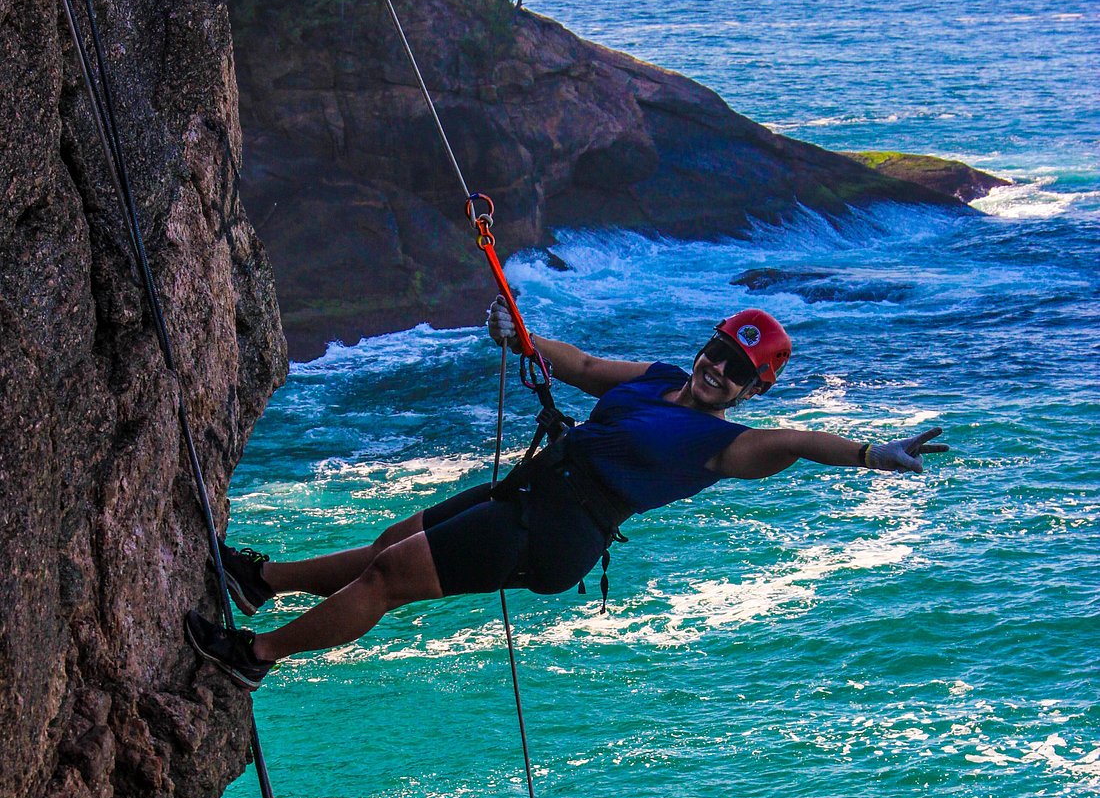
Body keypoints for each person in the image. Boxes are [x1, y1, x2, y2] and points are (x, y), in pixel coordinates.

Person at [185, 303, 947, 689]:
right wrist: (522, 337)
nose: (718, 370)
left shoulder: (728, 447)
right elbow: (579, 365)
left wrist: (875, 454)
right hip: (530, 491)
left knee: (388, 580)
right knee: (391, 544)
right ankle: (261, 582)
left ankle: (258, 655)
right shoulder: (656, 380)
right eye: (717, 352)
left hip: (555, 531)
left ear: (752, 390)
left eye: (737, 372)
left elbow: (801, 443)